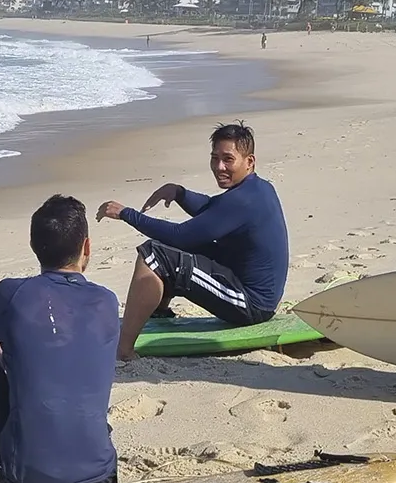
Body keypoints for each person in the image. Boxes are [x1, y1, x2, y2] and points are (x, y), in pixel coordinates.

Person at [0, 195, 121, 483]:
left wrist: (4, 348)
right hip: (100, 478)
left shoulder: (12, 293)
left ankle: (0, 479)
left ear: (34, 246)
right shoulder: (107, 301)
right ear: (86, 247)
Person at [96, 123, 290, 359]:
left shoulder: (244, 200)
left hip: (251, 304)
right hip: (245, 285)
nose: (219, 166)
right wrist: (179, 193)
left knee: (154, 254)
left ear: (249, 162)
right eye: (215, 158)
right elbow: (213, 208)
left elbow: (182, 235)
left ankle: (124, 350)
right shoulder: (258, 189)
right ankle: (159, 312)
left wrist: (126, 214)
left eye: (228, 159)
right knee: (172, 251)